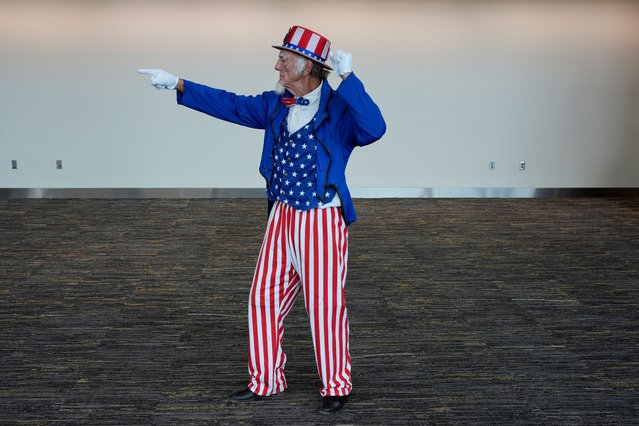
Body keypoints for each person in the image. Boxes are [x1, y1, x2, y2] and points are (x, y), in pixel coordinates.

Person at [138, 25, 386, 414]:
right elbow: (231, 104)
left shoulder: (339, 109)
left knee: (324, 303)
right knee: (262, 299)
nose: (277, 65)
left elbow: (375, 128)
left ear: (307, 66)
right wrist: (178, 84)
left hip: (320, 219)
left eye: (284, 59)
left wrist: (349, 77)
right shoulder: (275, 103)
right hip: (281, 214)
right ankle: (266, 380)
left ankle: (337, 384)